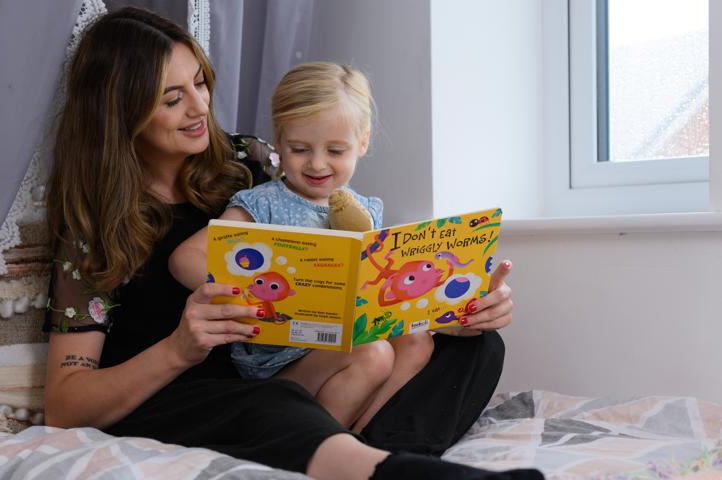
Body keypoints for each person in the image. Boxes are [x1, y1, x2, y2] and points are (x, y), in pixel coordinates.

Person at [43, 6, 541, 480]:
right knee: (274, 407)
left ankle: (380, 455)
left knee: (475, 350)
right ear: (123, 113)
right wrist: (177, 350)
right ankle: (391, 466)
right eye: (172, 98)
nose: (200, 108)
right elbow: (65, 407)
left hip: (296, 368)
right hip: (193, 393)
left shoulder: (248, 161)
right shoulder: (94, 225)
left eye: (199, 83)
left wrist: (455, 307)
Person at [168, 61, 435, 432]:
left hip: (341, 340)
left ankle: (365, 439)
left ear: (363, 141)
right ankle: (314, 445)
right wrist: (251, 297)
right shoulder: (263, 203)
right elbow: (185, 259)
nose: (317, 164)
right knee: (374, 355)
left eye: (336, 151)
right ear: (279, 141)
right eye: (300, 149)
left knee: (418, 343)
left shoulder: (366, 211)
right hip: (280, 362)